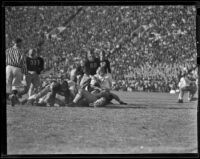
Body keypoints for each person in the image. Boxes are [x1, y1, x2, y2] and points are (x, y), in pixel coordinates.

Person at [6, 38, 28, 106]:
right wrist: (25, 72)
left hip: (8, 67)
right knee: (15, 85)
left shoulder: (7, 50)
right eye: (21, 43)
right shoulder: (21, 51)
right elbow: (23, 62)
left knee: (8, 84)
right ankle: (13, 95)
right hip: (17, 68)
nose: (22, 44)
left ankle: (8, 99)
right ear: (18, 43)